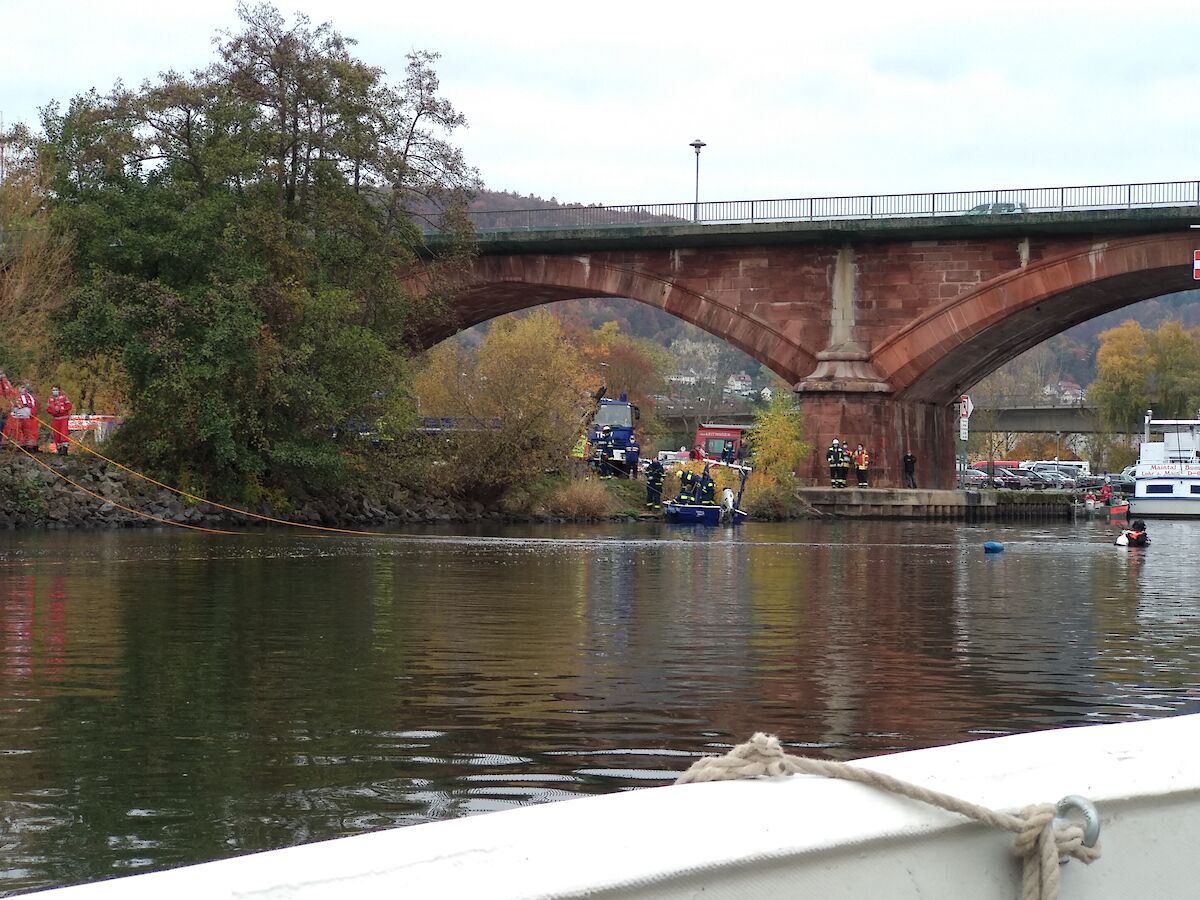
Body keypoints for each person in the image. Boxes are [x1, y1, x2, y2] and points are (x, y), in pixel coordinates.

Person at [46, 386, 73, 455]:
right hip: (55, 418)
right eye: (53, 390)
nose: (54, 391)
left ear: (59, 390)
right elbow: (48, 409)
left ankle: (65, 449)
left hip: (64, 417)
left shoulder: (64, 397)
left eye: (55, 390)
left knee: (64, 433)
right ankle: (59, 449)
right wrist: (54, 411)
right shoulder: (50, 399)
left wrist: (62, 409)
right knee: (56, 434)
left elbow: (69, 406)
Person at [11, 383, 37, 451]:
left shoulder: (29, 396)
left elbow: (32, 404)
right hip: (18, 416)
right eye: (20, 387)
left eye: (23, 387)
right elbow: (12, 406)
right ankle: (20, 445)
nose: (22, 389)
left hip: (26, 416)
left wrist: (25, 406)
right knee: (17, 431)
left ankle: (29, 446)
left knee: (28, 431)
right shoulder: (15, 396)